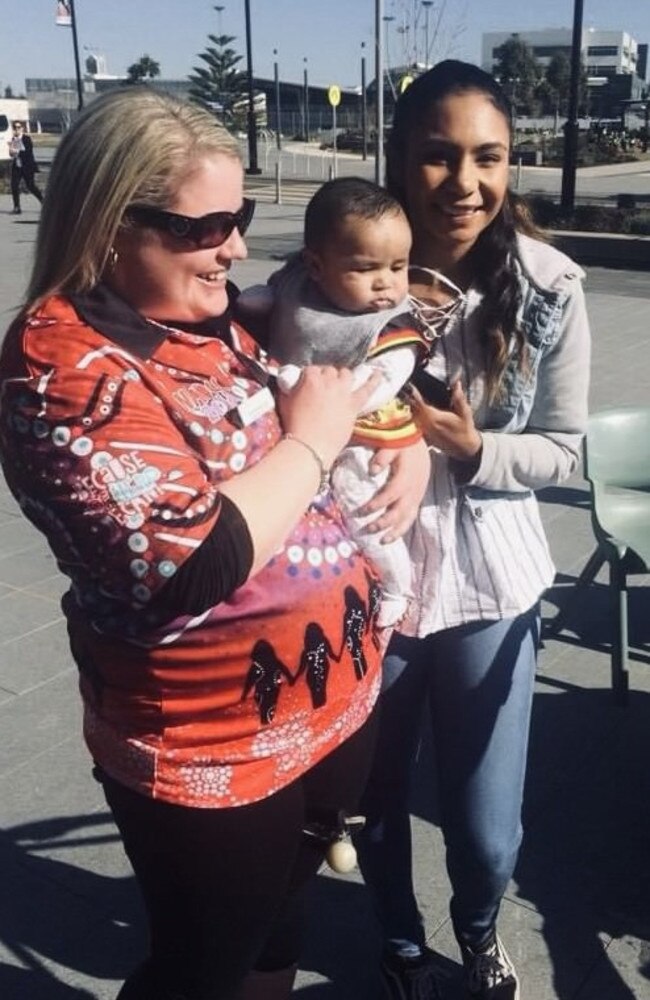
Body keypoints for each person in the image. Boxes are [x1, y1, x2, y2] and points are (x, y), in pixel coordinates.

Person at [0, 88, 427, 1000]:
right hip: (211, 753)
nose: (236, 246)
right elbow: (185, 562)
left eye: (237, 218)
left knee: (278, 934)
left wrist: (413, 449)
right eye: (209, 226)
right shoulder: (61, 364)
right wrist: (313, 444)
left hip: (327, 704)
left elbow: (357, 383)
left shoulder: (219, 315)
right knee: (199, 968)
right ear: (113, 224)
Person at [353, 60, 591, 1000]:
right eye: (439, 156)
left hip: (493, 578)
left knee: (486, 829)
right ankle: (400, 942)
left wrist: (474, 449)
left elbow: (566, 452)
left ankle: (479, 927)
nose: (465, 183)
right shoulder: (344, 271)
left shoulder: (549, 286)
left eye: (488, 158)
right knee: (373, 801)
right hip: (370, 574)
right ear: (401, 161)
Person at [239, 177, 435, 629]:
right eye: (366, 269)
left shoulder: (391, 323)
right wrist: (256, 305)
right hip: (295, 421)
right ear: (315, 265)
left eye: (399, 266)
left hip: (362, 432)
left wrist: (327, 397)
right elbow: (265, 301)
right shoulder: (296, 284)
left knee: (362, 503)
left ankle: (394, 583)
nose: (386, 283)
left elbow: (382, 381)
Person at [7, 119, 43, 214]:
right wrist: (11, 150)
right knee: (14, 185)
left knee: (31, 186)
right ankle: (17, 207)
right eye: (15, 127)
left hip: (27, 166)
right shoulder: (13, 139)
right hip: (17, 166)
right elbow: (12, 154)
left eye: (18, 127)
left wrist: (17, 151)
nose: (16, 129)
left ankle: (43, 202)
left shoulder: (27, 139)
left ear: (22, 128)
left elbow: (28, 152)